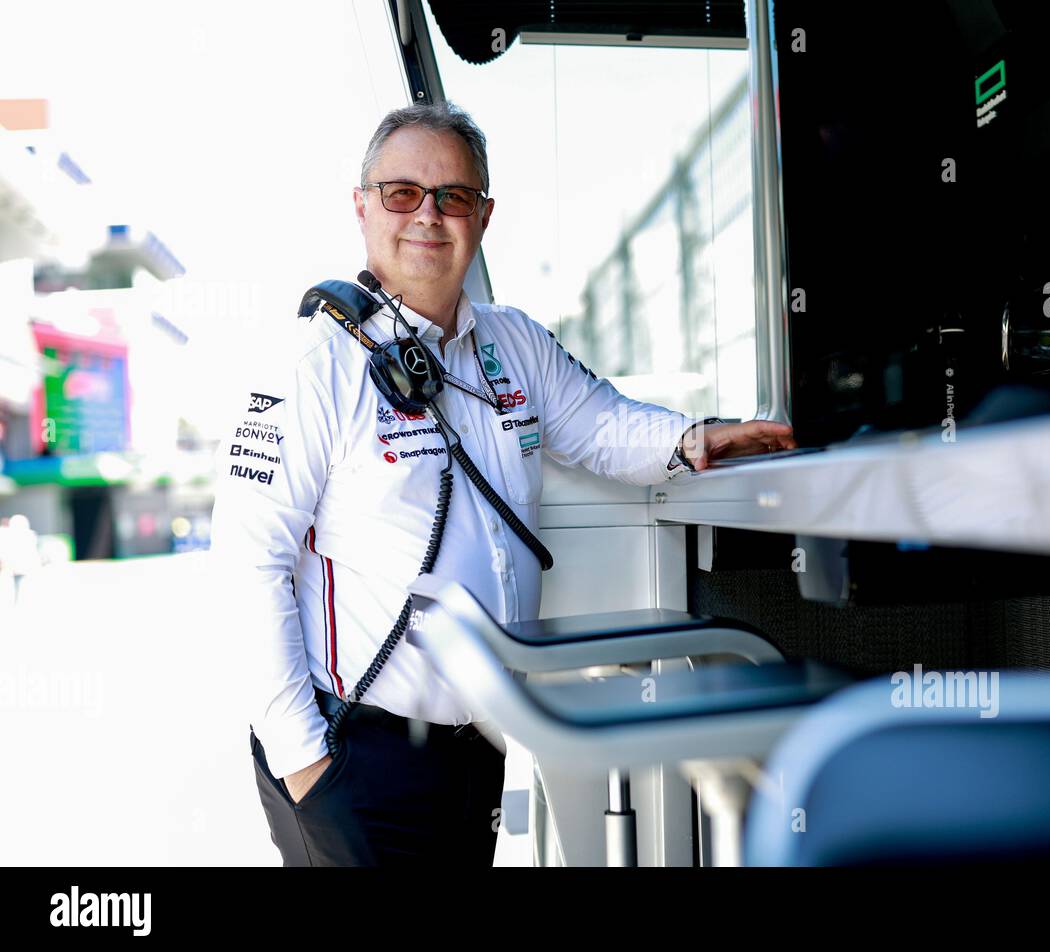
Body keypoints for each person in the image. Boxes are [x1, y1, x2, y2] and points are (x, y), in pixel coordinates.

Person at [209, 101, 794, 867]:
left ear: (483, 216)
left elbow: (604, 426)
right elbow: (247, 568)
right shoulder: (312, 368)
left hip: (474, 752)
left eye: (454, 196)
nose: (429, 215)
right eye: (402, 193)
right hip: (352, 754)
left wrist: (698, 440)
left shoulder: (513, 342)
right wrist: (308, 769)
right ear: (361, 208)